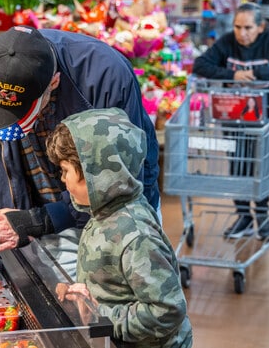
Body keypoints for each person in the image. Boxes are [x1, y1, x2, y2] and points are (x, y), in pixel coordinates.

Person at [0, 26, 161, 269]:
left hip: (108, 219)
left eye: (22, 112)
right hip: (26, 220)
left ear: (54, 82)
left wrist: (43, 219)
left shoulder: (105, 74)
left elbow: (118, 181)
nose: (13, 126)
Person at [48, 108, 193, 348]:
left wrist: (101, 318)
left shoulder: (136, 234)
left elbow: (167, 310)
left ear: (96, 174)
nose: (62, 179)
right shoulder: (104, 212)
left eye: (65, 171)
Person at [192, 3, 269, 240]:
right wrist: (232, 75)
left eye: (248, 27)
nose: (242, 33)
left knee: (262, 166)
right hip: (233, 118)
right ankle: (244, 215)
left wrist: (258, 74)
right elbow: (200, 64)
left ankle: (261, 213)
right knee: (238, 165)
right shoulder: (227, 42)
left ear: (260, 27)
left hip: (267, 119)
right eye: (238, 27)